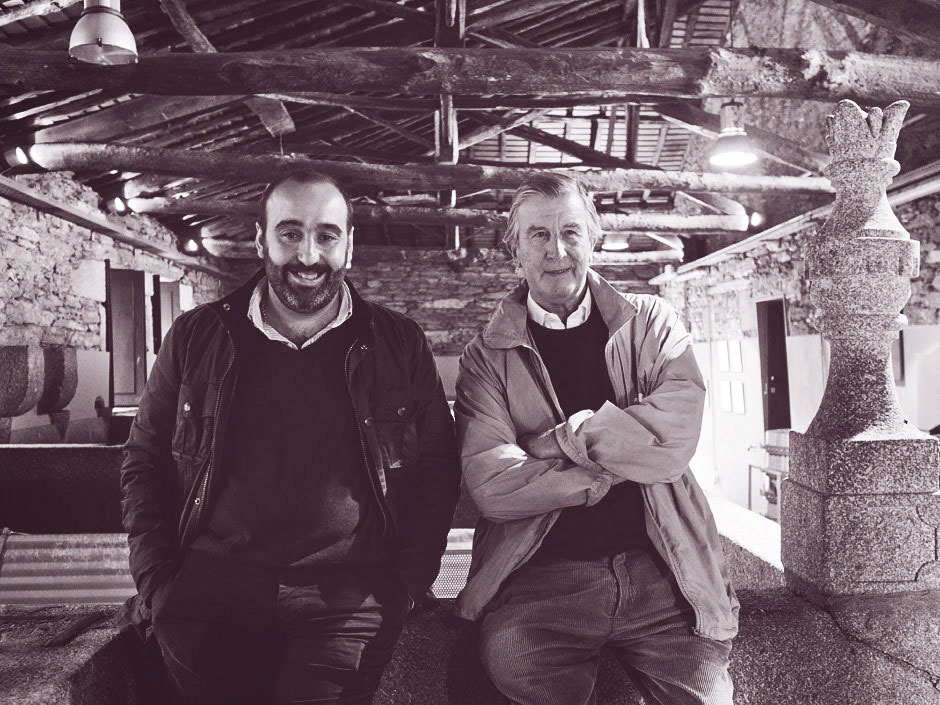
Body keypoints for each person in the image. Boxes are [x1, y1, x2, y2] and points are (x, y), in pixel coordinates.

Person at [120, 168, 460, 705]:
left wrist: (406, 586)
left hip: (348, 598)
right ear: (261, 240)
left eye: (326, 235)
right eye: (290, 233)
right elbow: (143, 459)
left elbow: (438, 467)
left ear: (349, 246)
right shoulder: (196, 335)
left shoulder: (398, 342)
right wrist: (158, 582)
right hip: (210, 592)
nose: (308, 254)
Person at [454, 172, 738, 705]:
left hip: (661, 571)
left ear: (594, 239)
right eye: (539, 235)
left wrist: (557, 441)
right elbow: (492, 485)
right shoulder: (485, 357)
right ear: (515, 250)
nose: (557, 250)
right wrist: (615, 464)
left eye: (571, 232)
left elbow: (673, 440)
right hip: (542, 580)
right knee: (512, 663)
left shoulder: (651, 322)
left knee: (709, 698)